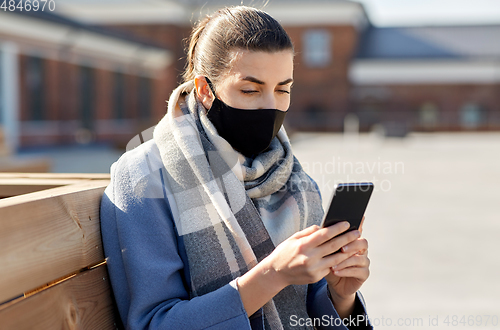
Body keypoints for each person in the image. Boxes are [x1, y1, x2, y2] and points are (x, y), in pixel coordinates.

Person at [100, 5, 373, 330]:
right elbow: (154, 323)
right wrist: (274, 275)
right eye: (250, 90)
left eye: (283, 89)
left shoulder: (295, 179)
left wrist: (342, 298)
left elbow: (313, 307)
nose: (270, 106)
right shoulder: (144, 176)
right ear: (205, 90)